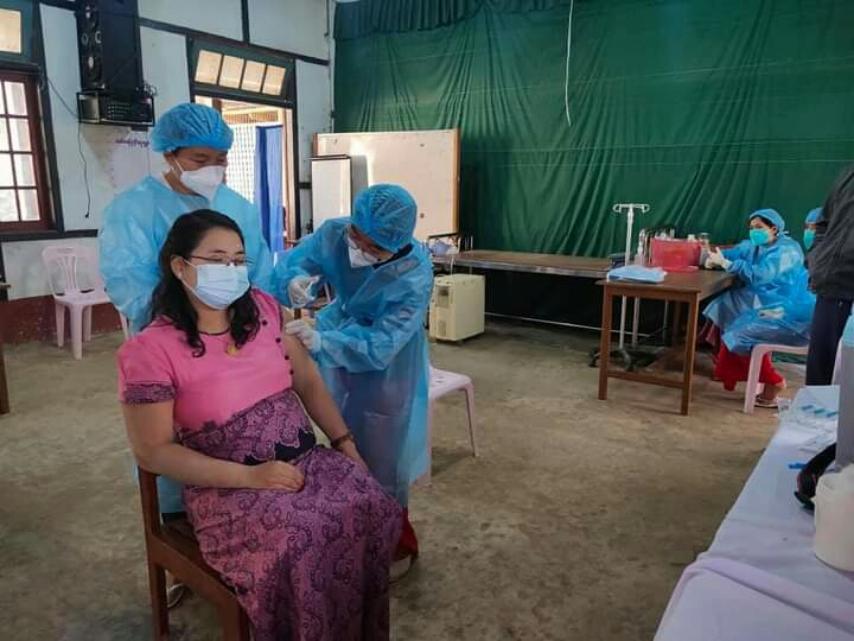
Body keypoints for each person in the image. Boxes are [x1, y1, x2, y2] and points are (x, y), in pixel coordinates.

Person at [118, 210, 401, 641]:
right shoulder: (150, 351)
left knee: (370, 502)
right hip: (229, 486)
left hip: (305, 459)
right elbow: (152, 451)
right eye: (217, 260)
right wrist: (251, 477)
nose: (231, 271)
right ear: (180, 266)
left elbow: (307, 380)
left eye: (238, 260)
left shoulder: (264, 311)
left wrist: (345, 443)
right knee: (303, 536)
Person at [277, 184, 432, 574]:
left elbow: (382, 343)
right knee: (339, 433)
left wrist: (324, 342)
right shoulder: (334, 232)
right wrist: (295, 279)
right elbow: (298, 261)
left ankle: (394, 544)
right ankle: (352, 533)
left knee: (382, 454)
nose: (359, 249)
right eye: (356, 236)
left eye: (374, 247)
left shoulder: (415, 274)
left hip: (389, 365)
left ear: (397, 244)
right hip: (338, 330)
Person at [99, 102, 275, 335]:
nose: (211, 168)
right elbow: (131, 284)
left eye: (220, 159)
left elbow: (258, 273)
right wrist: (182, 325)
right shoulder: (133, 209)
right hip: (169, 331)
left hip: (235, 328)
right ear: (169, 155)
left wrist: (249, 319)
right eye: (200, 160)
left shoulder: (238, 207)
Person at [704, 209, 813, 406]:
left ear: (774, 228)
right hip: (762, 299)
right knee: (723, 306)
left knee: (738, 330)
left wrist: (728, 264)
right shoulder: (755, 245)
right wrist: (714, 256)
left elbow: (762, 275)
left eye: (759, 227)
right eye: (752, 228)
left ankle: (771, 380)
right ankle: (727, 365)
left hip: (779, 304)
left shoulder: (787, 250)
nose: (754, 232)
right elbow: (736, 252)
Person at [806, 166, 854, 385]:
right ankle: (815, 407)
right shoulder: (848, 174)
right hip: (832, 284)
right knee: (820, 372)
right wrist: (816, 258)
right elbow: (823, 223)